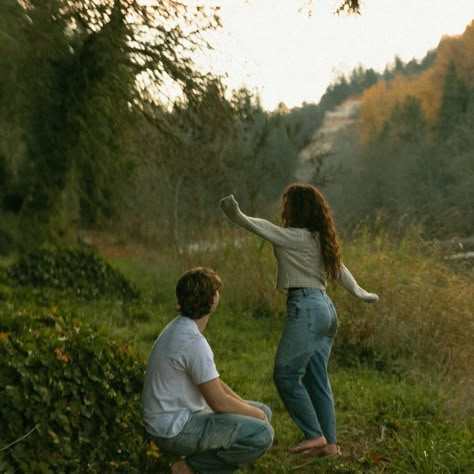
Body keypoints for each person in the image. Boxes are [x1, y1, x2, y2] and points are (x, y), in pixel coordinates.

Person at [219, 183, 379, 458]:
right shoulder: (318, 238)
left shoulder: (295, 237)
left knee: (285, 375)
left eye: (287, 204)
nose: (284, 209)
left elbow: (263, 228)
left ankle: (314, 435)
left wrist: (237, 214)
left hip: (306, 308)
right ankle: (330, 445)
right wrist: (361, 293)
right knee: (317, 379)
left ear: (296, 209)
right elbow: (339, 269)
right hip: (326, 310)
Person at [142, 267, 274, 474]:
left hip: (173, 417)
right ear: (212, 300)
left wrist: (252, 411)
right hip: (173, 429)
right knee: (262, 434)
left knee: (264, 412)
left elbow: (213, 383)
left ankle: (199, 461)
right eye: (216, 291)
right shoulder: (193, 342)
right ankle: (188, 468)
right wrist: (253, 414)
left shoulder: (179, 327)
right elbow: (218, 402)